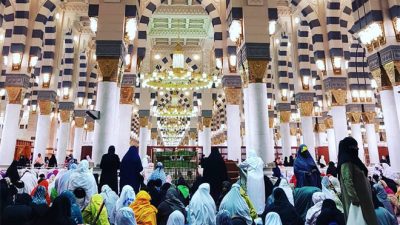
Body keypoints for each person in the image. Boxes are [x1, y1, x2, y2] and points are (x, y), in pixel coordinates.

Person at [337, 136, 378, 225]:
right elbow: (347, 181)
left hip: (363, 199)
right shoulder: (346, 162)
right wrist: (355, 200)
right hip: (358, 202)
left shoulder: (354, 161)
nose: (357, 149)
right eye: (355, 147)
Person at [239, 149, 265, 214]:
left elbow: (240, 165)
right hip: (260, 180)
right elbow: (263, 165)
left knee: (252, 194)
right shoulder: (260, 160)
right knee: (259, 194)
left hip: (252, 180)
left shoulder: (249, 160)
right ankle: (260, 209)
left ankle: (252, 208)